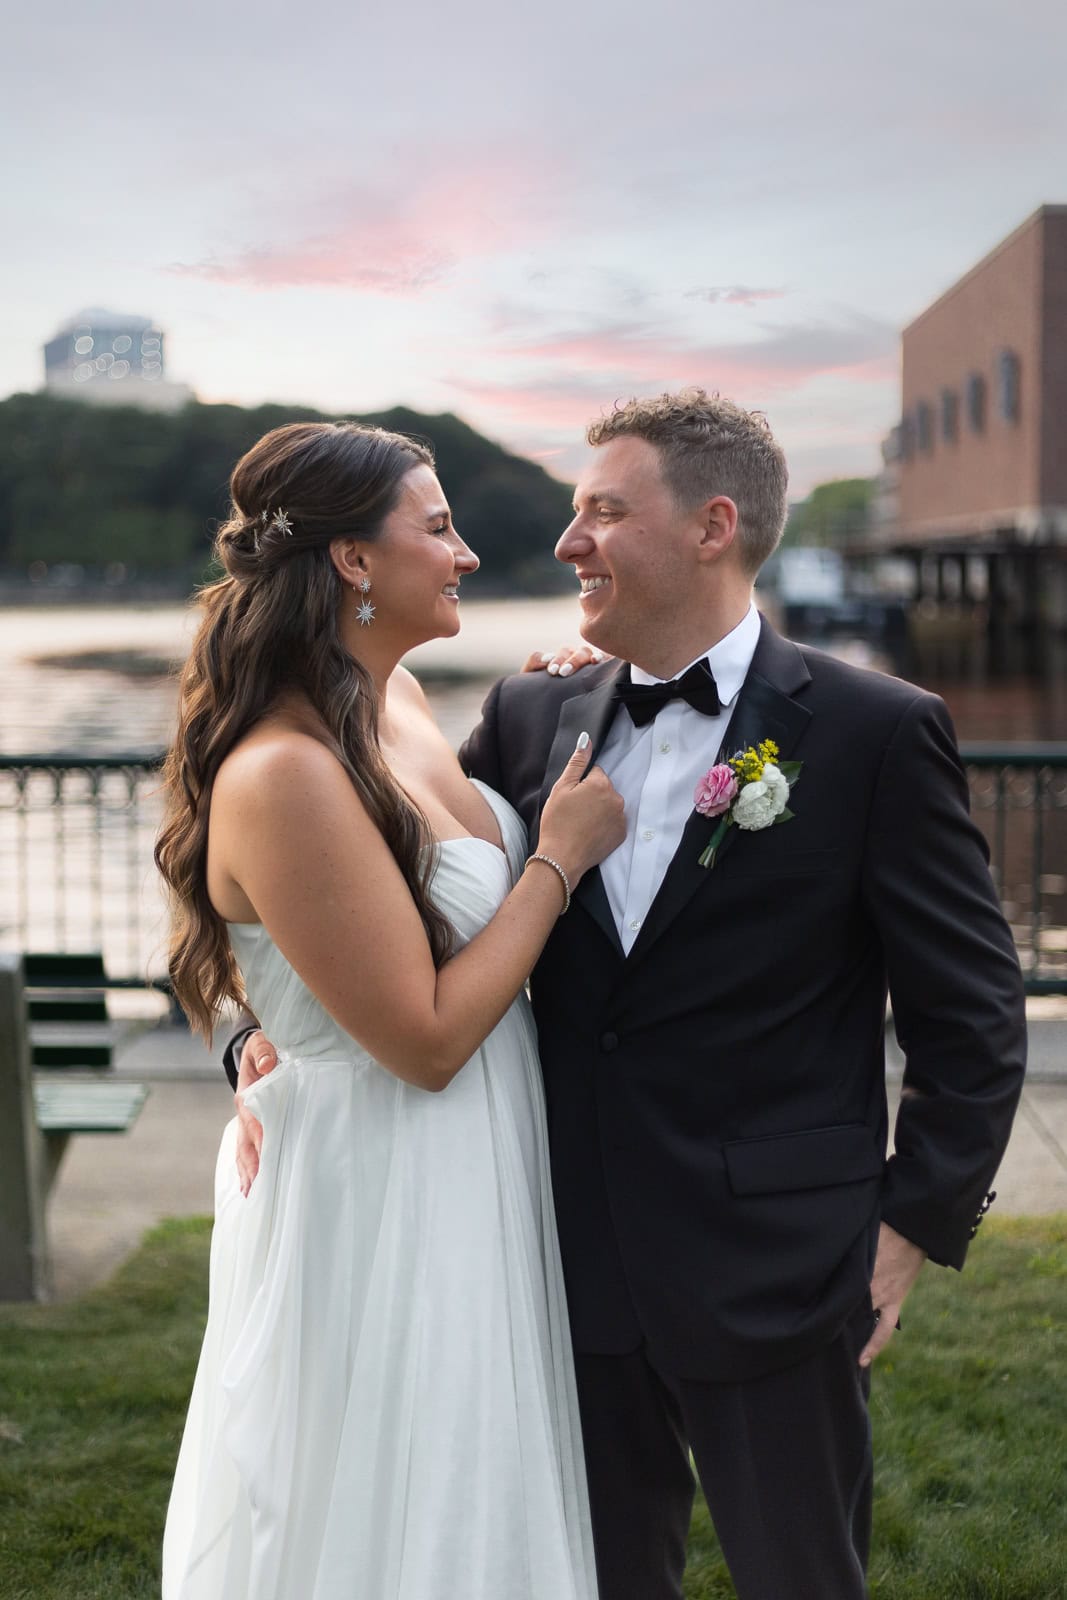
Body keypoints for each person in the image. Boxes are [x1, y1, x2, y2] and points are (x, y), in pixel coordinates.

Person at [230, 391, 1026, 1600]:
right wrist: (254, 1034)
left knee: (800, 1577)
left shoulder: (873, 731)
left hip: (778, 1262)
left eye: (602, 511)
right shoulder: (526, 712)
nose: (567, 543)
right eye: (570, 512)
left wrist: (909, 1228)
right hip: (553, 1256)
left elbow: (968, 1016)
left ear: (711, 527)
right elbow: (350, 899)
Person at [156, 419, 625, 1599]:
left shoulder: (394, 697)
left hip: (473, 1156)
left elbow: (392, 898)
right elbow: (419, 1038)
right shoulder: (284, 769)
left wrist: (561, 702)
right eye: (437, 527)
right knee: (403, 1500)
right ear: (352, 562)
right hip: (391, 1177)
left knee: (481, 1480)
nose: (464, 553)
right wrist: (553, 865)